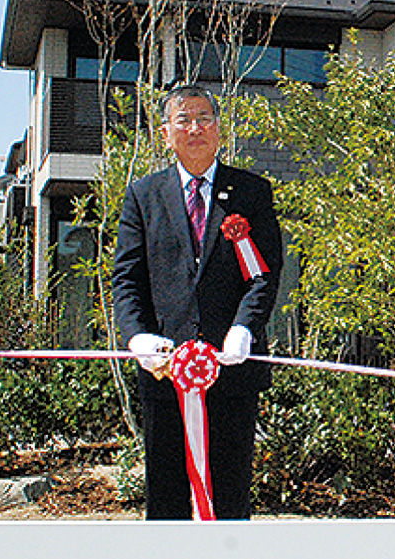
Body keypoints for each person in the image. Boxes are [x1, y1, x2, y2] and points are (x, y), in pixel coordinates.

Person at [113, 85, 283, 520]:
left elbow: (263, 274)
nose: (195, 128)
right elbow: (127, 280)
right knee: (166, 499)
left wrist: (245, 327)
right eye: (183, 120)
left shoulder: (252, 192)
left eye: (205, 118)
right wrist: (136, 337)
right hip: (165, 371)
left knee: (230, 497)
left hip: (232, 372)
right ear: (165, 132)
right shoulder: (143, 196)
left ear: (219, 129)